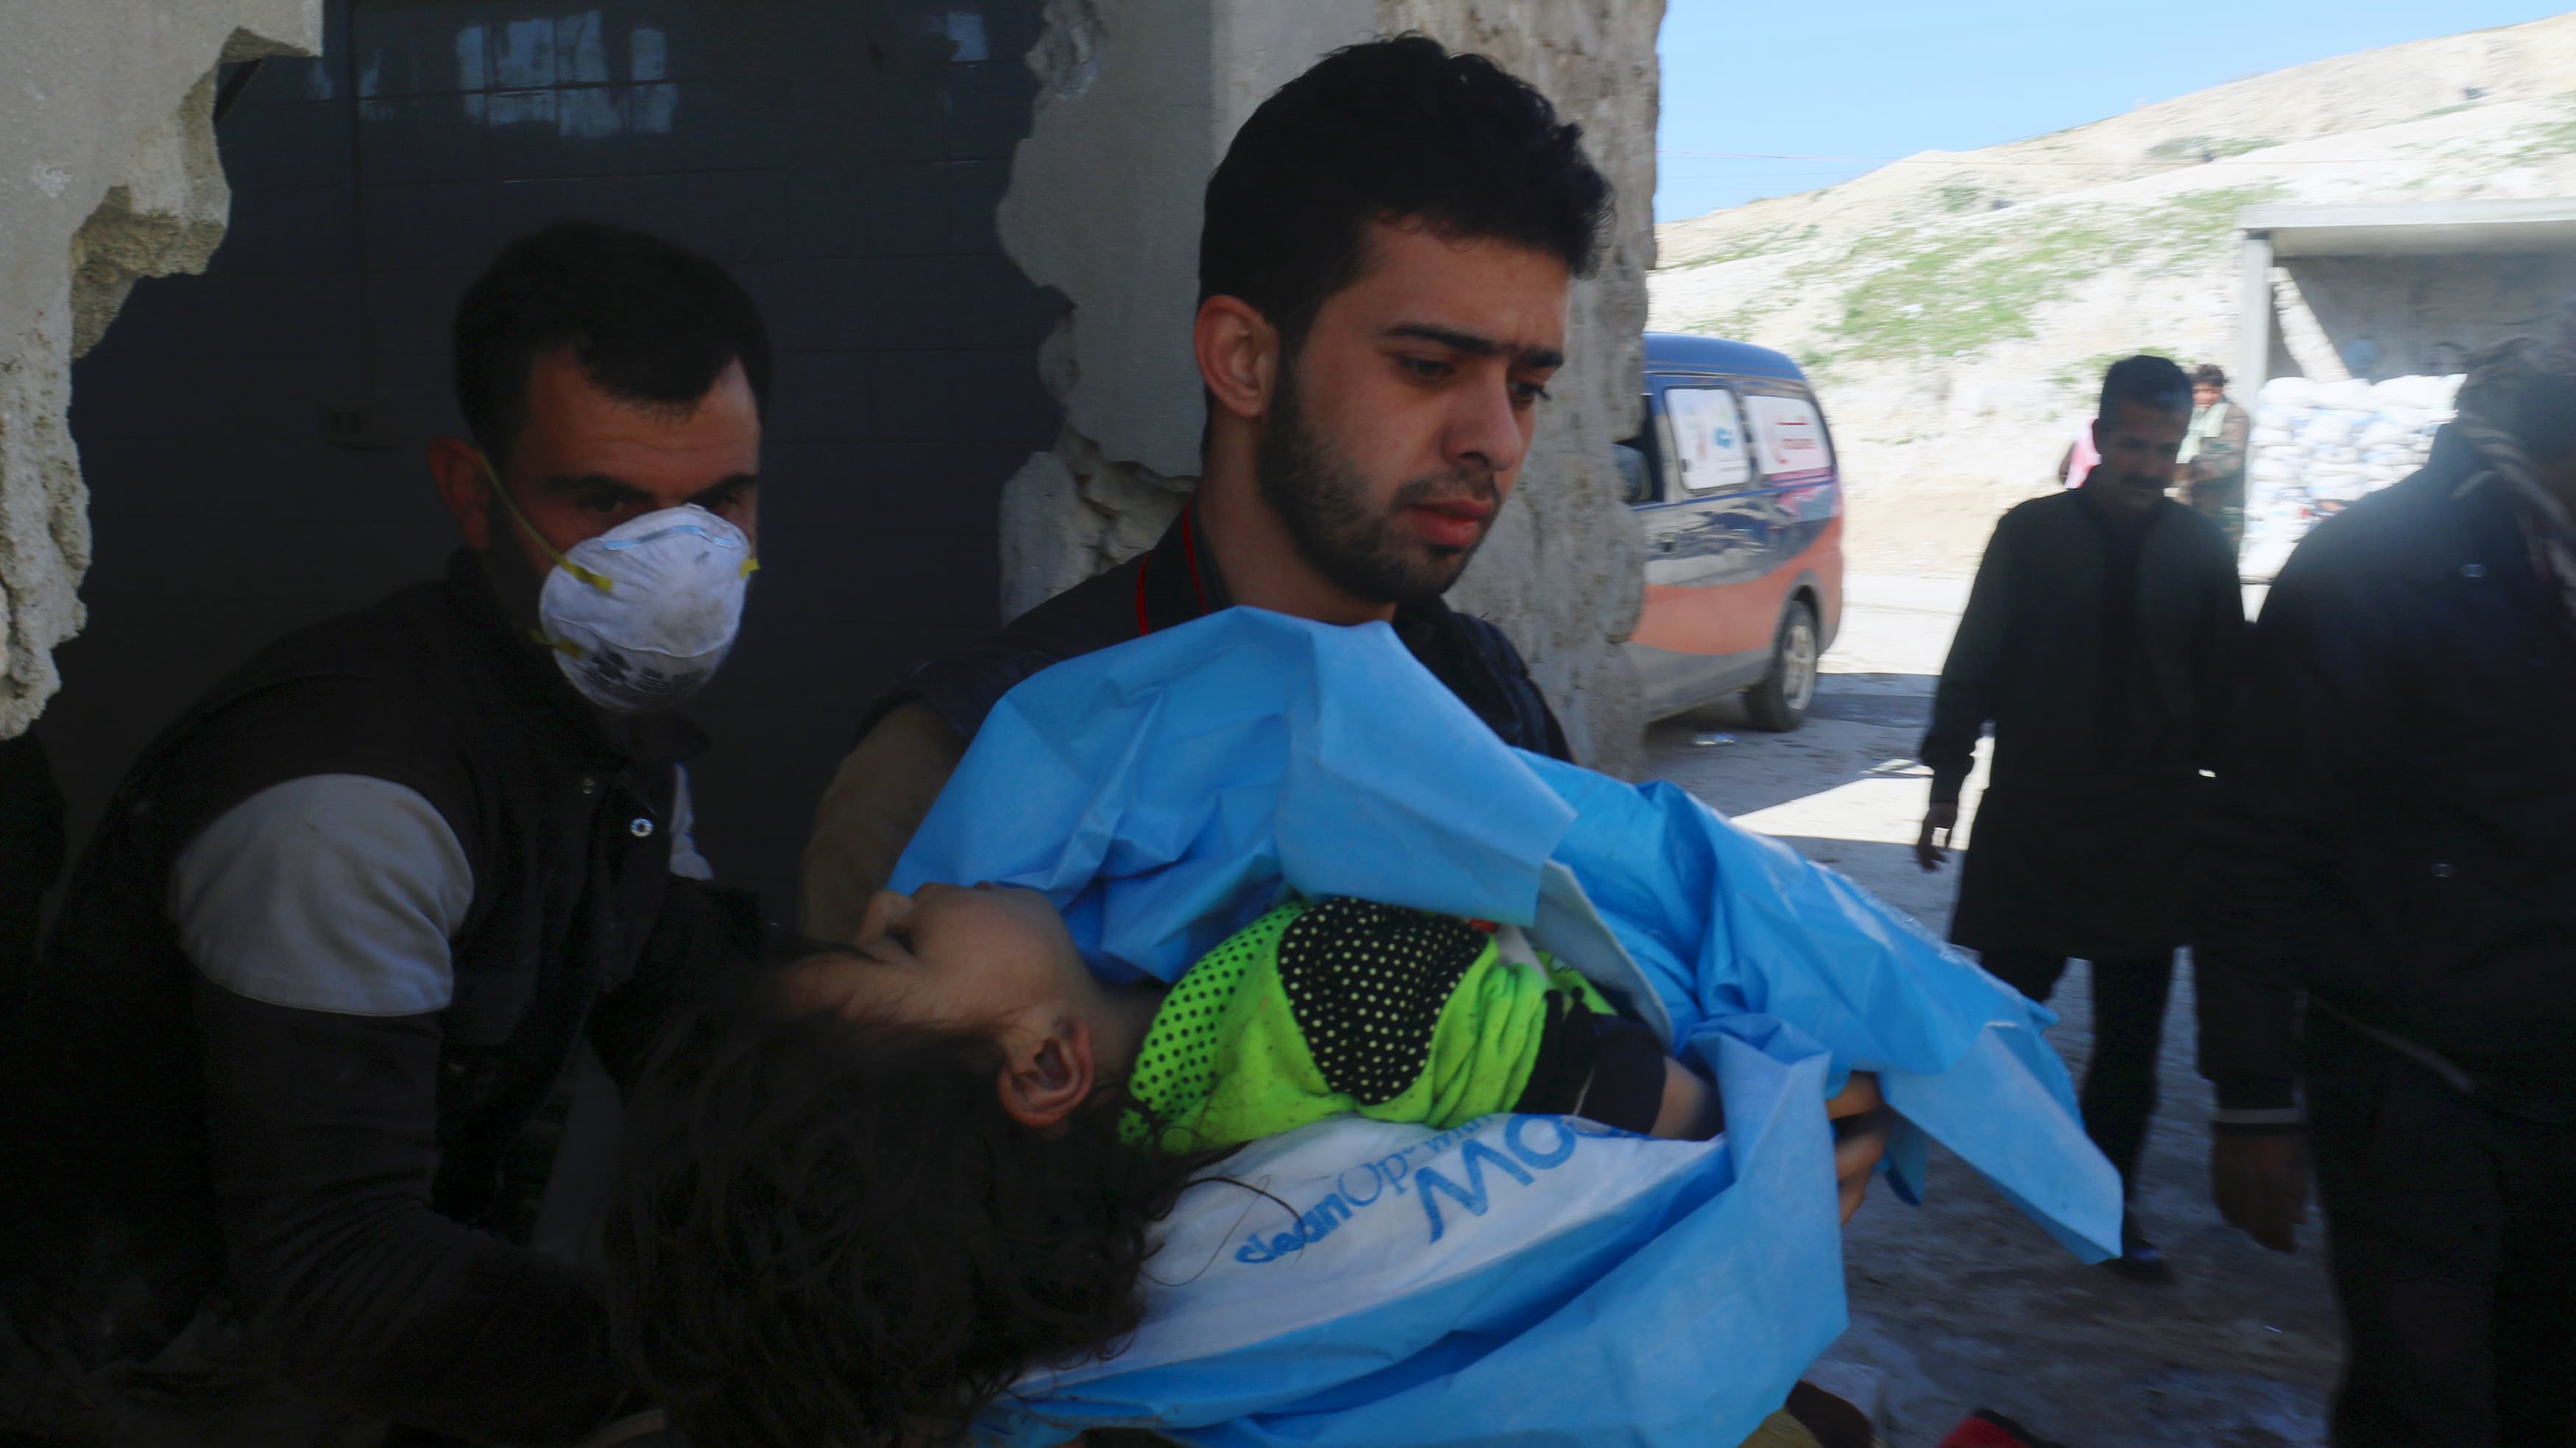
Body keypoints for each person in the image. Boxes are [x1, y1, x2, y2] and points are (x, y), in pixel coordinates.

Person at [0, 221, 769, 1447]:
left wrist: (902, 1034)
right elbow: (338, 1273)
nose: (677, 570)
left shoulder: (605, 728)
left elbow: (694, 1021)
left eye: (719, 501)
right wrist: (750, 1354)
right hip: (164, 1390)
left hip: (361, 1362)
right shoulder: (346, 799)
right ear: (473, 492)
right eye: (604, 502)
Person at [604, 881, 1892, 1448]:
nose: (887, 900)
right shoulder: (1315, 979)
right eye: (891, 951)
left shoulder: (1158, 1199)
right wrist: (1759, 1138)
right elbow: (1610, 1088)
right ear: (1046, 1070)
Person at [800, 35, 1606, 941]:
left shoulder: (1485, 692)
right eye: (1426, 365)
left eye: (1526, 389)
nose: (1495, 439)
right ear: (1244, 359)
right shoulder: (958, 762)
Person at [2195, 303, 2576, 1447]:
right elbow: (2258, 834)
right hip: (2414, 1083)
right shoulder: (2375, 566)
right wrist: (2254, 1094)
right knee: (2427, 1405)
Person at [1915, 354, 2243, 1282]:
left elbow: (2228, 693)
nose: (2147, 464)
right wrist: (1944, 778)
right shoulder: (2027, 535)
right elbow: (1972, 658)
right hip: (2036, 817)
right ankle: (2024, 1165)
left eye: (2165, 448)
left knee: (2130, 1040)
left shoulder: (2202, 551)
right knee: (2005, 1019)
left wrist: (2243, 811)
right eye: (2132, 442)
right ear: (2097, 438)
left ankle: (2107, 1204)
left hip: (2152, 826)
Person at [2177, 363, 2251, 556]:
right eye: (2198, 391)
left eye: (2212, 391)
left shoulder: (2234, 417)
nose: (2205, 397)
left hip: (2223, 511)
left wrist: (2187, 471)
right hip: (2189, 505)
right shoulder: (2189, 415)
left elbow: (2230, 462)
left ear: (2221, 390)